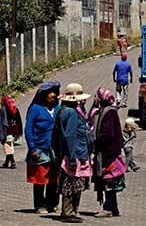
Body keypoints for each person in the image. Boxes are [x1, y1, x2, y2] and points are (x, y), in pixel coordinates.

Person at [55, 83, 93, 224]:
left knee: (72, 183)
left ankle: (70, 211)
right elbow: (70, 136)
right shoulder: (70, 113)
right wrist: (72, 157)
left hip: (73, 152)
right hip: (75, 153)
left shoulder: (63, 110)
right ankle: (68, 212)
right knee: (71, 184)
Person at [25, 80, 61, 214]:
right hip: (40, 148)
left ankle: (52, 203)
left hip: (54, 149)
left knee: (54, 178)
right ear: (44, 94)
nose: (53, 95)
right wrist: (33, 148)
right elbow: (28, 129)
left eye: (55, 93)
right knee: (40, 178)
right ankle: (40, 205)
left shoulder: (58, 108)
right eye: (50, 93)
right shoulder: (36, 109)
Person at [89, 87, 125, 218]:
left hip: (108, 153)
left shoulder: (109, 113)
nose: (95, 99)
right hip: (109, 152)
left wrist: (96, 142)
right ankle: (113, 207)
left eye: (97, 96)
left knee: (108, 180)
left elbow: (108, 134)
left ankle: (108, 208)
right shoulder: (106, 111)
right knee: (108, 180)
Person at [0, 94, 23, 169]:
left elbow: (1, 121)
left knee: (8, 146)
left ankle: (13, 161)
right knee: (9, 145)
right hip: (14, 130)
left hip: (6, 130)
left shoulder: (3, 109)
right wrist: (20, 131)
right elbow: (19, 120)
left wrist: (1, 131)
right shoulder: (15, 108)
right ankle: (6, 162)